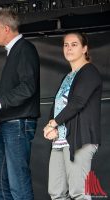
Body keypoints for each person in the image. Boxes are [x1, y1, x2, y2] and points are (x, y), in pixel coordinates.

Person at [0, 9, 40, 200]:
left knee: (18, 184)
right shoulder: (15, 51)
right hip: (9, 122)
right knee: (2, 182)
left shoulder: (24, 49)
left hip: (18, 124)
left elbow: (28, 87)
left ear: (6, 29)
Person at [43, 32, 102, 200]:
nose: (69, 48)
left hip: (79, 139)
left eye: (74, 44)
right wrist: (51, 127)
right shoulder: (67, 76)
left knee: (79, 192)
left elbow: (77, 102)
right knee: (56, 193)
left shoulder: (89, 72)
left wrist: (53, 123)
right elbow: (57, 105)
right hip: (60, 140)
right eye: (66, 45)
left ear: (84, 49)